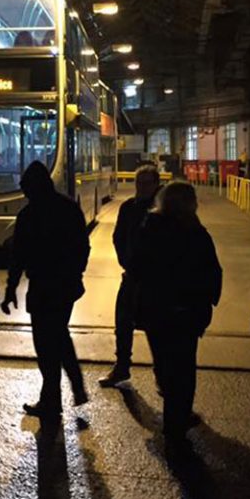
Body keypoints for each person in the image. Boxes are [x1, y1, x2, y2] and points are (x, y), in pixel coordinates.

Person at [128, 182, 221, 452]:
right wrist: (206, 303)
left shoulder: (150, 228)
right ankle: (177, 422)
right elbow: (212, 273)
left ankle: (173, 417)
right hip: (187, 312)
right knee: (184, 368)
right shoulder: (196, 232)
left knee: (165, 364)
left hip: (156, 310)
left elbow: (136, 266)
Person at [1, 161, 90, 419]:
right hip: (66, 286)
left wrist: (10, 289)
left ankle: (55, 397)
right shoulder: (70, 208)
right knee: (59, 335)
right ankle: (68, 388)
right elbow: (83, 247)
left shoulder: (28, 215)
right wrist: (76, 273)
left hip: (42, 287)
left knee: (46, 343)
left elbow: (18, 256)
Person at [100, 165, 160, 388]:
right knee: (122, 322)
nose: (142, 188)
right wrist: (125, 260)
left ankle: (161, 375)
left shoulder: (162, 209)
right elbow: (118, 236)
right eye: (139, 183)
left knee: (156, 330)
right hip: (132, 276)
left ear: (155, 185)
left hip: (154, 281)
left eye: (146, 183)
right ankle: (122, 366)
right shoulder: (128, 208)